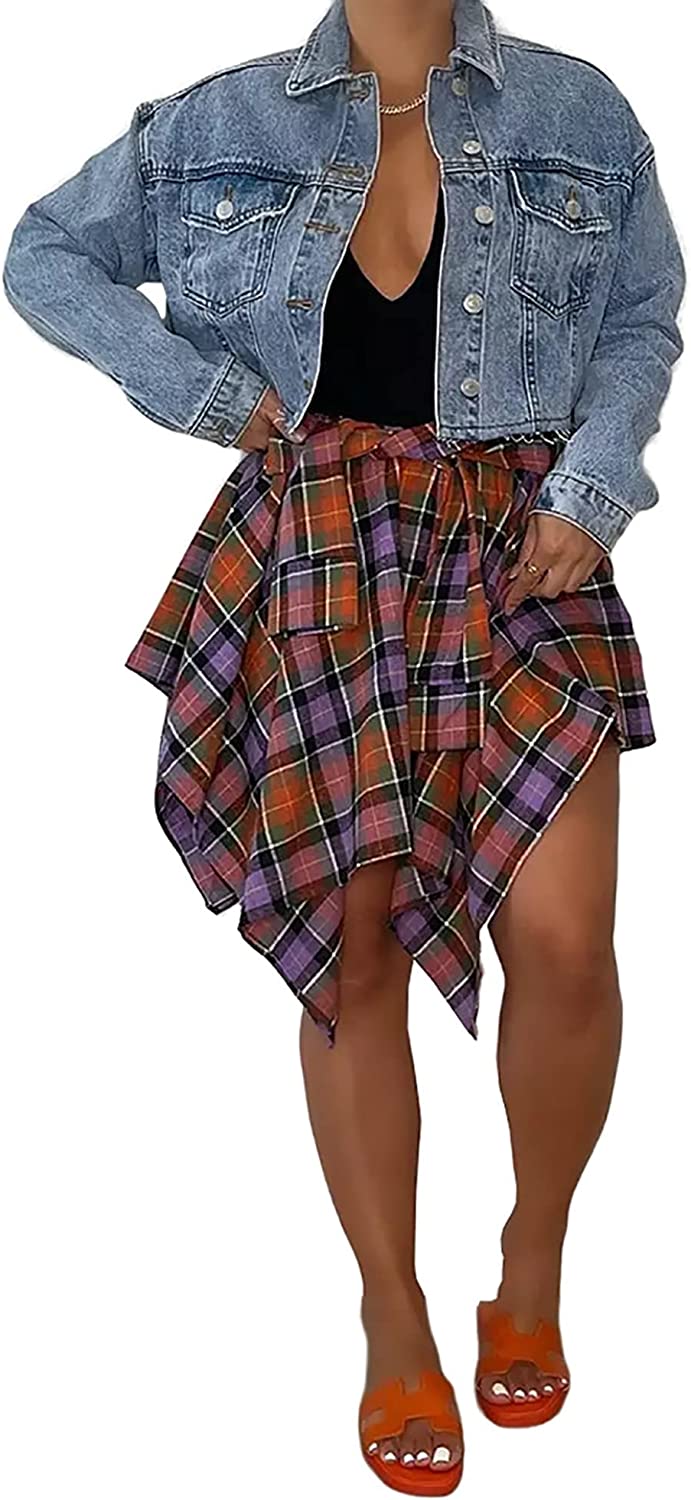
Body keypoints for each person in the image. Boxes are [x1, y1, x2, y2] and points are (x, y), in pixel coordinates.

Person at [3, 0, 685, 1492]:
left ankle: (534, 1256)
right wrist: (198, 391)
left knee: (569, 942)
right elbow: (41, 252)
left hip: (528, 543)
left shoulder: (578, 109)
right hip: (319, 544)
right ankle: (393, 1312)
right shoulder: (217, 122)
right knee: (355, 944)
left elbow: (645, 313)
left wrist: (597, 485)